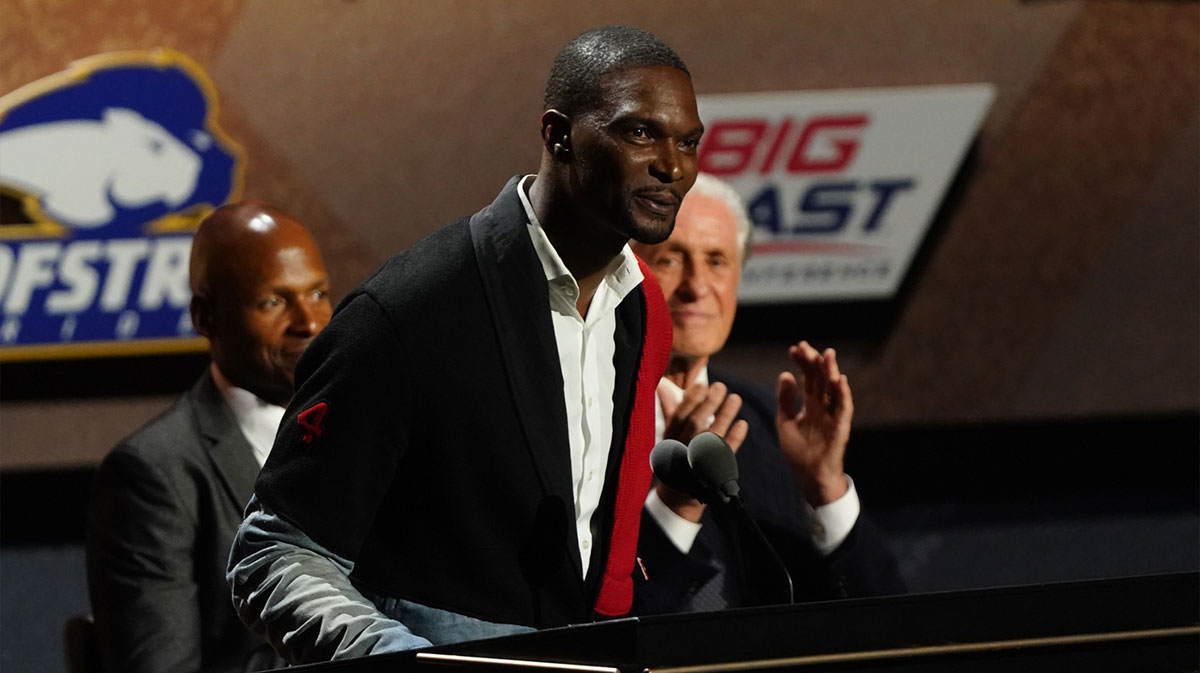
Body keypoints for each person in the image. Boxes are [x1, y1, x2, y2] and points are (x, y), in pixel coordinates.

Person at [226, 26, 703, 663]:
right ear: (557, 135)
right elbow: (274, 554)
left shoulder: (641, 309)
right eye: (640, 132)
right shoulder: (409, 310)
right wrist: (404, 659)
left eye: (689, 141)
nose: (672, 166)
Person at [630, 174, 905, 613]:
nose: (697, 286)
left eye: (717, 261)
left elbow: (888, 619)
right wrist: (674, 505)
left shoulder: (765, 421)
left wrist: (824, 489)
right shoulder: (577, 413)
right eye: (670, 259)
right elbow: (591, 625)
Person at [86, 201, 333, 673]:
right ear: (206, 317)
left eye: (318, 293)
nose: (311, 323)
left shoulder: (372, 433)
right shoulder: (152, 475)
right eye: (274, 302)